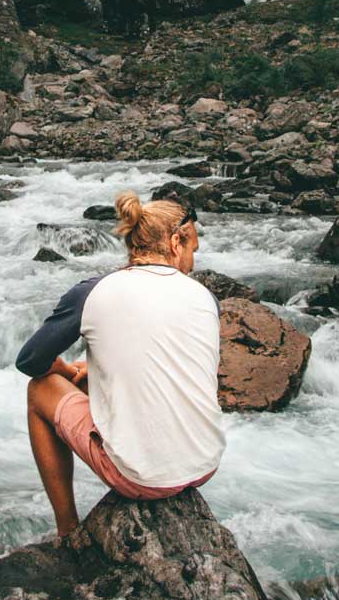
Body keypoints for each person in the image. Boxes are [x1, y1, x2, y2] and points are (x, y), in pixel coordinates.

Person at [16, 190, 224, 538]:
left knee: (39, 390)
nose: (192, 261)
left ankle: (67, 530)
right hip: (205, 463)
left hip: (138, 479)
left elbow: (30, 361)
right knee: (89, 376)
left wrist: (68, 372)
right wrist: (85, 372)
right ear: (175, 243)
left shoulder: (93, 292)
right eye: (191, 251)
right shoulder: (207, 298)